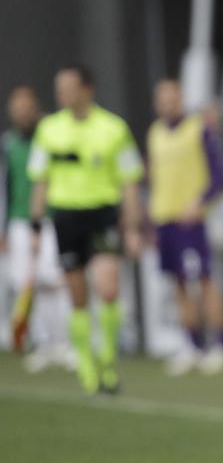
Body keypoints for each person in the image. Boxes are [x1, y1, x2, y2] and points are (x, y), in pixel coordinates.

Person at [27, 65, 143, 394]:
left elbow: (130, 180)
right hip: (65, 217)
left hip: (102, 215)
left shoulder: (113, 128)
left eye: (67, 87)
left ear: (86, 89)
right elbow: (40, 179)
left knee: (107, 288)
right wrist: (36, 226)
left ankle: (107, 355)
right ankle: (86, 362)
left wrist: (132, 227)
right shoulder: (48, 129)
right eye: (58, 87)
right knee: (78, 297)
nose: (61, 93)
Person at [146, 79, 223, 375]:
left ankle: (220, 345)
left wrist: (200, 203)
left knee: (205, 280)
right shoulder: (155, 133)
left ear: (181, 98)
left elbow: (219, 174)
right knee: (179, 284)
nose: (168, 104)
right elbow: (154, 177)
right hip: (164, 218)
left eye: (173, 98)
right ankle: (192, 345)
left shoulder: (199, 129)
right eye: (163, 99)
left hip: (191, 220)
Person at [2, 86, 73, 372]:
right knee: (28, 285)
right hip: (19, 221)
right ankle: (44, 342)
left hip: (50, 218)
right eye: (16, 109)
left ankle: (66, 343)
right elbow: (8, 186)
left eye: (26, 107)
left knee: (56, 280)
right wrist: (6, 227)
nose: (21, 113)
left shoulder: (51, 136)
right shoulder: (9, 143)